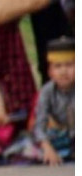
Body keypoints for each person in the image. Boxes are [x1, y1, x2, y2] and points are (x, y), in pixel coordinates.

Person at [32, 37, 75, 166]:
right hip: (61, 135)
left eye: (69, 65)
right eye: (58, 66)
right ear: (50, 72)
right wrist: (47, 148)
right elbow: (40, 125)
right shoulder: (47, 91)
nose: (63, 71)